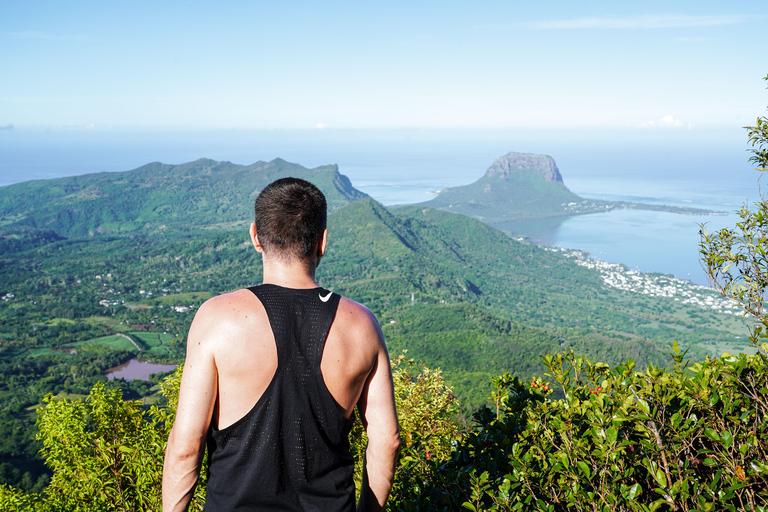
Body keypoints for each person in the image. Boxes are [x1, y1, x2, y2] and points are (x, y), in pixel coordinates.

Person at [162, 178, 400, 511]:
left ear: (255, 236)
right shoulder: (362, 325)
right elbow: (386, 440)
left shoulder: (217, 319)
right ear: (322, 241)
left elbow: (186, 445)